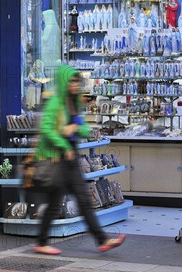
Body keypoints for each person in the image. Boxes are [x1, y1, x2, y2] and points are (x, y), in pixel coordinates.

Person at [33, 65, 125, 255]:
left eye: (77, 81)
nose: (75, 84)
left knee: (83, 200)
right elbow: (48, 131)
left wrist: (74, 129)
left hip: (71, 158)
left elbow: (83, 129)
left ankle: (102, 240)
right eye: (72, 81)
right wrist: (65, 142)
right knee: (55, 203)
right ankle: (42, 242)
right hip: (57, 157)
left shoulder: (73, 103)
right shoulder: (55, 103)